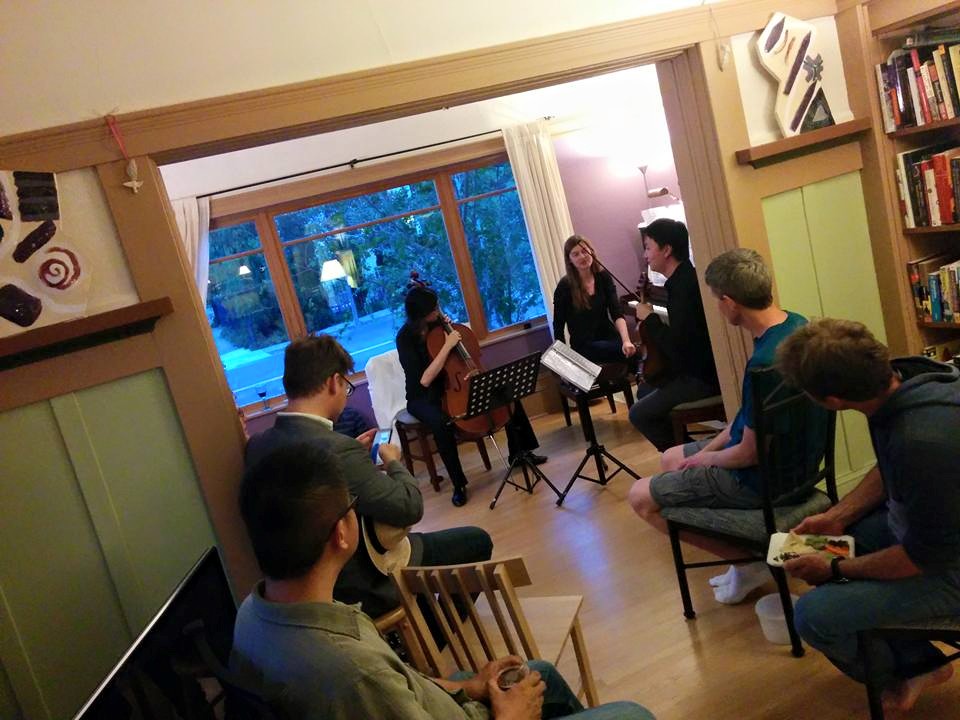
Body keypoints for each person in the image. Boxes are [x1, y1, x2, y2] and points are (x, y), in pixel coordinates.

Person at [232, 442, 657, 720]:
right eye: (353, 505)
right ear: (341, 534)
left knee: (537, 672)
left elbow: (400, 683)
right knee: (633, 715)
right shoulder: (355, 673)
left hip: (441, 706)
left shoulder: (255, 612)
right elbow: (378, 683)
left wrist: (467, 685)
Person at [776, 319, 960, 713]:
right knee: (827, 544)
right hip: (931, 536)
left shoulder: (921, 441)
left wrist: (836, 570)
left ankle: (909, 670)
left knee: (812, 616)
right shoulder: (913, 382)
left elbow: (918, 559)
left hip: (948, 568)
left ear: (832, 400)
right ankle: (917, 659)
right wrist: (838, 516)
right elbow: (892, 466)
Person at [245, 334, 493, 620]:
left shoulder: (258, 446)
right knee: (477, 541)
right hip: (362, 579)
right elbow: (410, 507)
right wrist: (393, 462)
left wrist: (354, 456)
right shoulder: (337, 450)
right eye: (346, 387)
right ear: (333, 382)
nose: (344, 395)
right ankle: (436, 632)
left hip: (302, 588)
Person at [627, 248, 807, 604]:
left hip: (763, 479)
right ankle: (742, 557)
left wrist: (705, 461)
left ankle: (749, 562)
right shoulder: (796, 326)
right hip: (797, 459)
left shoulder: (764, 365)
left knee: (640, 497)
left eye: (717, 301)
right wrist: (705, 451)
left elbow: (747, 454)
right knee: (672, 458)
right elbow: (747, 417)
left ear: (729, 303)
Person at [397, 285, 546, 508]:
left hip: (452, 384)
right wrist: (447, 345)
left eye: (437, 306)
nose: (438, 311)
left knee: (506, 394)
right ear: (420, 314)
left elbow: (459, 357)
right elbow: (424, 380)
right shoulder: (405, 339)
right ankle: (459, 484)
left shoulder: (439, 324)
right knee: (441, 423)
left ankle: (520, 453)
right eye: (433, 309)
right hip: (423, 396)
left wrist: (449, 330)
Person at [628, 219, 720, 451]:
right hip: (693, 369)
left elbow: (679, 348)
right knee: (644, 390)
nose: (645, 255)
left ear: (667, 250)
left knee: (638, 415)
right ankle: (685, 446)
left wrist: (650, 319)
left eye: (648, 247)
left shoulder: (685, 288)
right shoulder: (682, 280)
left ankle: (689, 456)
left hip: (702, 377)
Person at [552, 235, 637, 366]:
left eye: (584, 251)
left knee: (630, 349)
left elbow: (616, 313)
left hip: (609, 336)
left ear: (591, 252)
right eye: (575, 254)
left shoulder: (604, 277)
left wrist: (626, 341)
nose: (582, 256)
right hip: (584, 345)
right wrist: (564, 359)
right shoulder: (564, 286)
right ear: (569, 260)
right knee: (624, 351)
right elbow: (558, 326)